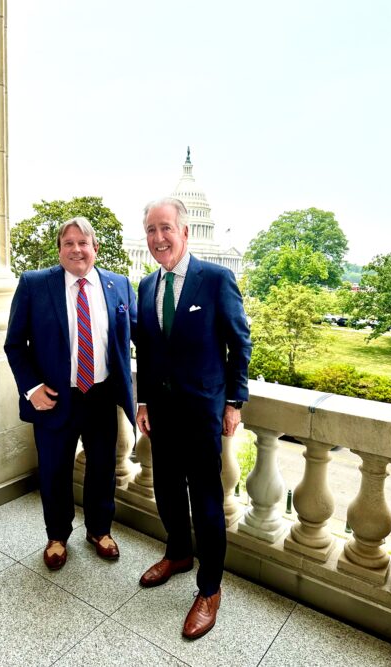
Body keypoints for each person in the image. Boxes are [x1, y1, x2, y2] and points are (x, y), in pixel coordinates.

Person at [136, 197, 251, 639]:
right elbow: (145, 351)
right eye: (151, 230)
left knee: (205, 502)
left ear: (185, 232)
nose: (158, 238)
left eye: (165, 228)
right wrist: (144, 402)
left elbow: (240, 343)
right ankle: (178, 554)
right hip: (161, 416)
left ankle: (210, 589)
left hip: (203, 412)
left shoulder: (216, 279)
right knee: (165, 490)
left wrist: (234, 402)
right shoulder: (147, 285)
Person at [5, 217, 136, 571]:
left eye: (84, 243)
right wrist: (31, 389)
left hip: (101, 396)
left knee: (103, 468)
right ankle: (57, 535)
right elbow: (15, 345)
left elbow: (141, 338)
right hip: (55, 397)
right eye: (69, 243)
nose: (77, 249)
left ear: (95, 248)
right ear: (60, 249)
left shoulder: (119, 285)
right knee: (54, 469)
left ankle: (99, 530)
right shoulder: (35, 284)